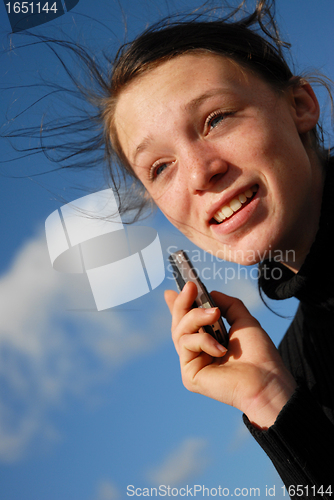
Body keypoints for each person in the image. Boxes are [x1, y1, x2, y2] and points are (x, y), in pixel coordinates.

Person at [5, 0, 334, 496]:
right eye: (160, 167)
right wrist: (270, 397)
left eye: (216, 118)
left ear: (300, 106)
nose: (201, 174)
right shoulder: (293, 369)